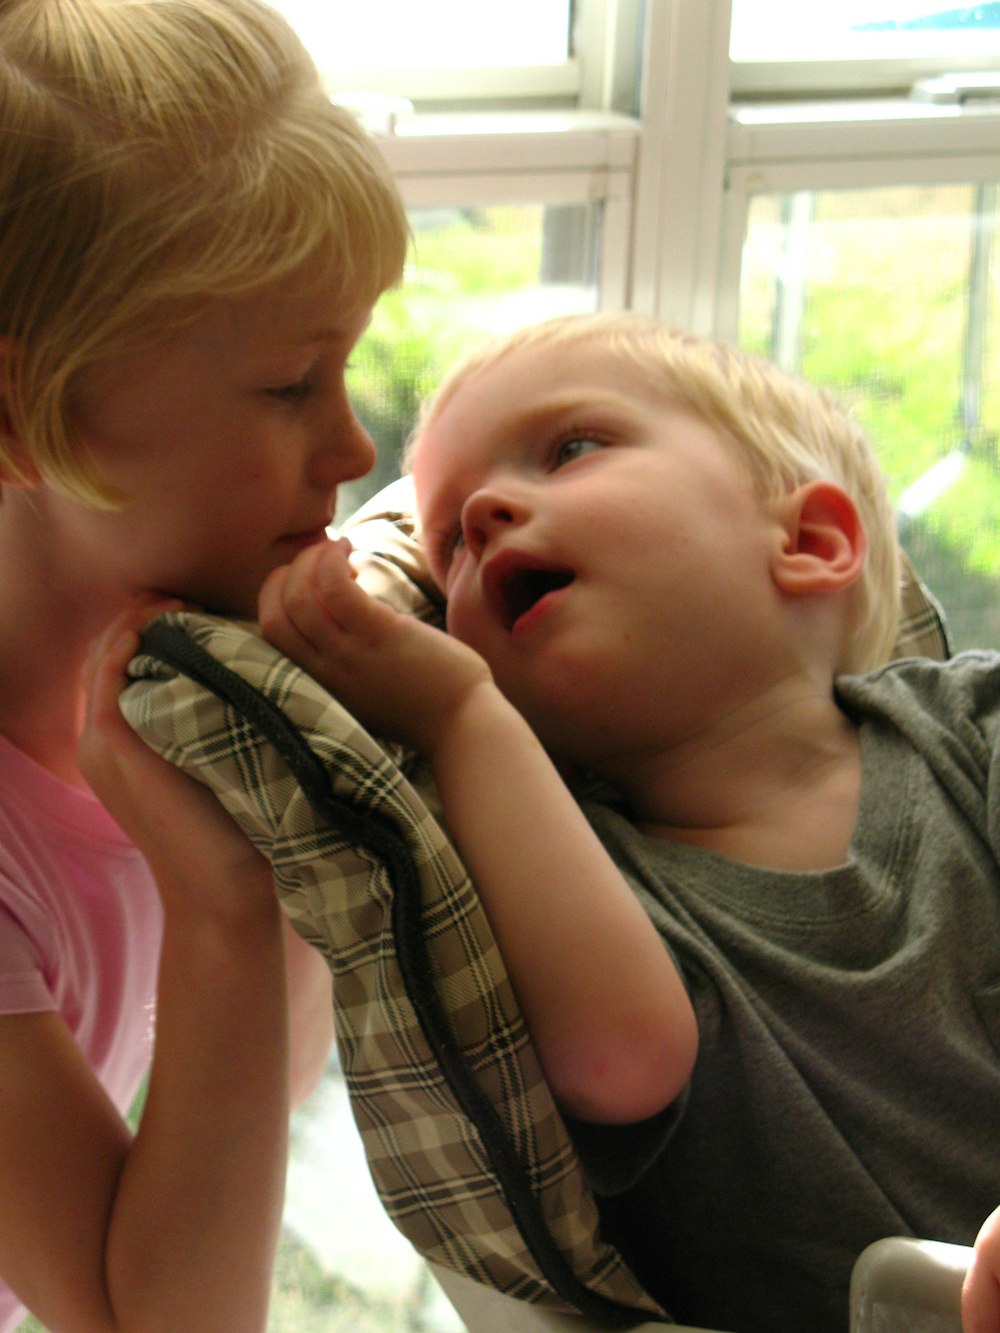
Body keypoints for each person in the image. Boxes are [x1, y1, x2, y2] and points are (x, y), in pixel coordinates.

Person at [259, 312, 1000, 1333]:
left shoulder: (971, 733)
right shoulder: (580, 882)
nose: (480, 514)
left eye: (570, 448)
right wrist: (458, 714)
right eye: (446, 542)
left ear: (807, 540)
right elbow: (623, 1058)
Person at [0, 0, 408, 1327]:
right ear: (26, 417)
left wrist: (292, 799)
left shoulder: (154, 705)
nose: (351, 446)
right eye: (293, 386)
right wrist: (229, 903)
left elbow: (250, 1111)